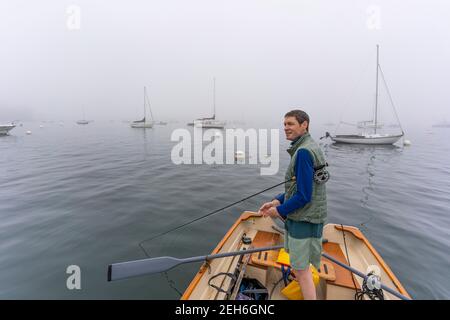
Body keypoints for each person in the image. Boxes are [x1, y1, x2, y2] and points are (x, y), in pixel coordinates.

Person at [258, 109, 328, 300]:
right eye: (285, 124)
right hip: (310, 217)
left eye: (290, 124)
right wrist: (278, 199)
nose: (286, 128)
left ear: (304, 124)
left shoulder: (304, 152)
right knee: (301, 268)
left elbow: (304, 196)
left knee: (302, 271)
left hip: (304, 219)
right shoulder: (309, 146)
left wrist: (277, 210)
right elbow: (301, 187)